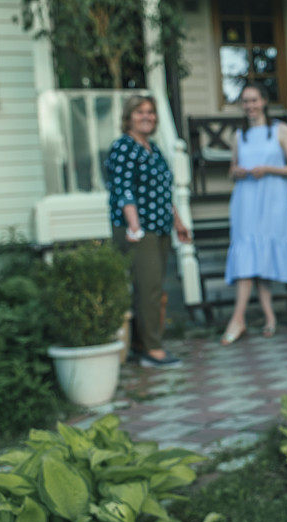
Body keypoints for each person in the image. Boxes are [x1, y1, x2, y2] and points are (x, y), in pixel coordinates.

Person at [104, 95, 191, 369]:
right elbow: (123, 188)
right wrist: (134, 226)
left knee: (150, 288)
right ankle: (152, 349)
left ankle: (140, 344)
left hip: (160, 227)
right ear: (129, 116)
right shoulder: (123, 147)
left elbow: (164, 192)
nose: (148, 116)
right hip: (138, 229)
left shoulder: (153, 148)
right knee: (148, 289)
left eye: (151, 112)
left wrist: (178, 222)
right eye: (140, 111)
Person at [220, 83, 287, 345]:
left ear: (264, 101)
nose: (250, 106)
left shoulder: (280, 130)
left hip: (272, 202)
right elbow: (231, 169)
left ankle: (253, 318)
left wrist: (268, 168)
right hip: (245, 201)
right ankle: (245, 318)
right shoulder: (239, 136)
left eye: (254, 100)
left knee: (263, 258)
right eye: (245, 101)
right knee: (249, 255)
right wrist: (237, 171)